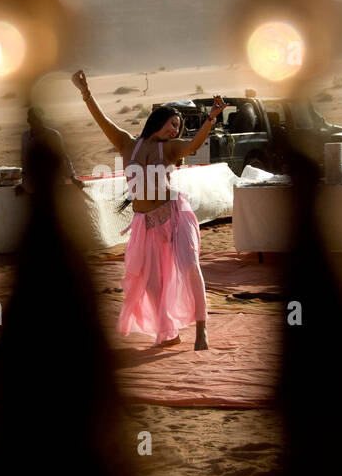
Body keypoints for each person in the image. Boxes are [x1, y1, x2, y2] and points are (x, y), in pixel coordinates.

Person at [72, 70, 224, 349]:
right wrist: (86, 93)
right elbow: (101, 120)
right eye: (172, 123)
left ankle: (201, 328)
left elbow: (193, 145)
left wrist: (210, 119)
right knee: (151, 282)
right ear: (158, 122)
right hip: (146, 224)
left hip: (176, 216)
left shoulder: (170, 149)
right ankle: (169, 331)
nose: (175, 130)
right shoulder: (126, 143)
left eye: (178, 126)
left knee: (190, 267)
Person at [17, 106, 83, 196]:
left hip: (54, 183)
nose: (37, 122)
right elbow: (24, 161)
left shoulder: (53, 135)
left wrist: (72, 178)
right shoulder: (25, 137)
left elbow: (63, 158)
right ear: (29, 120)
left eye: (39, 119)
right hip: (34, 185)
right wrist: (24, 183)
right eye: (34, 119)